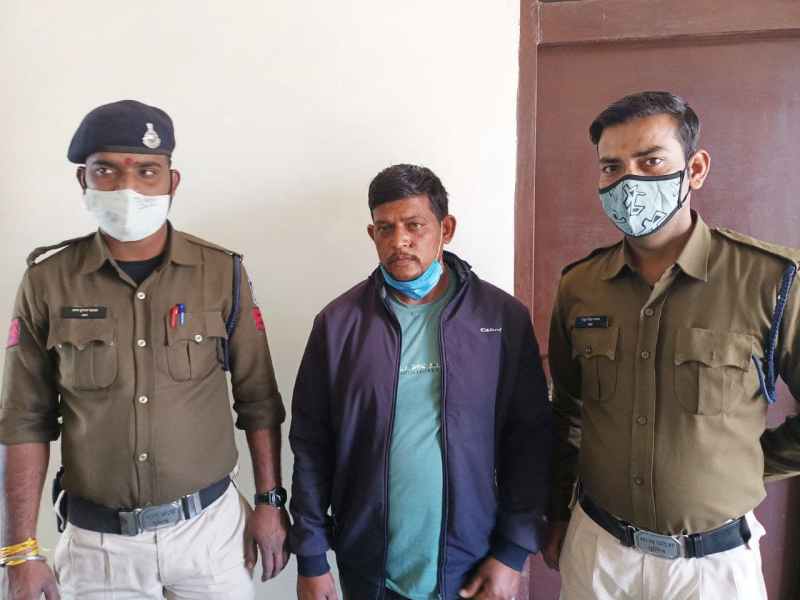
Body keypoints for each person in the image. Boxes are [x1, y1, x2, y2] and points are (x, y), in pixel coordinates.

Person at [0, 100, 288, 599]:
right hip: (99, 552)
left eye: (147, 172)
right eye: (106, 170)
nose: (127, 188)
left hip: (210, 538)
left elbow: (258, 399)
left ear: (172, 183)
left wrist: (270, 501)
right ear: (83, 180)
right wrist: (18, 549)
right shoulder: (48, 281)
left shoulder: (221, 273)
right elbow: (24, 420)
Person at [544, 91, 800, 600]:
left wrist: (747, 464)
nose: (629, 182)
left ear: (696, 169)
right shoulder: (579, 286)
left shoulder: (772, 280)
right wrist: (556, 510)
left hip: (713, 569)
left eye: (651, 161)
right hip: (600, 556)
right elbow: (567, 411)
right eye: (612, 167)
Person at [289, 164, 553, 600]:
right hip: (369, 567)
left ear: (445, 229)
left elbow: (529, 439)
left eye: (414, 226)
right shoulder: (338, 325)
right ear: (372, 234)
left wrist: (512, 553)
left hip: (475, 564)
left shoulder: (500, 318)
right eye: (385, 229)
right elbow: (311, 444)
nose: (400, 241)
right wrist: (312, 555)